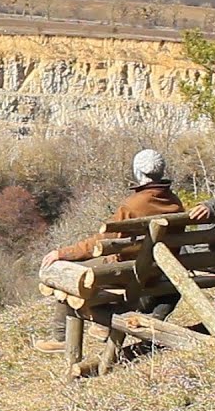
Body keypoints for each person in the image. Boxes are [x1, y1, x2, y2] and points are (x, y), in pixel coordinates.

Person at [32, 149, 184, 354]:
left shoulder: (133, 205)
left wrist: (63, 253)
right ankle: (102, 326)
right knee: (100, 271)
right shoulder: (175, 202)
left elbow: (104, 239)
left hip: (129, 273)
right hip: (159, 272)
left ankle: (62, 338)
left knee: (63, 273)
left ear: (138, 172)